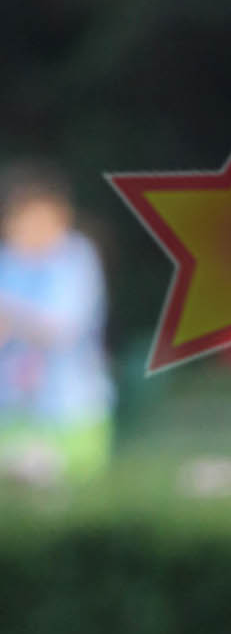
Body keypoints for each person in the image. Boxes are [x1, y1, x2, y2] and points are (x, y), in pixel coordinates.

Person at [0, 166, 114, 484]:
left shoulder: (75, 259)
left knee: (58, 471)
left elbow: (64, 328)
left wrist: (13, 320)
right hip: (13, 406)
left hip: (72, 409)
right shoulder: (7, 261)